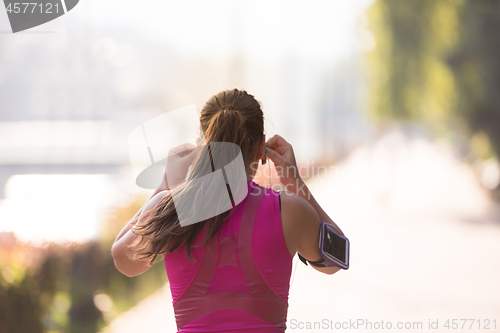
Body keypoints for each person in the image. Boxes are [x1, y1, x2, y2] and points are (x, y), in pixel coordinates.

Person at [112, 89, 346, 332]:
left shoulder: (173, 206)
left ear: (202, 147)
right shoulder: (288, 208)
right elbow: (336, 260)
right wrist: (295, 182)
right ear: (260, 150)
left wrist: (166, 185)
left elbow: (124, 261)